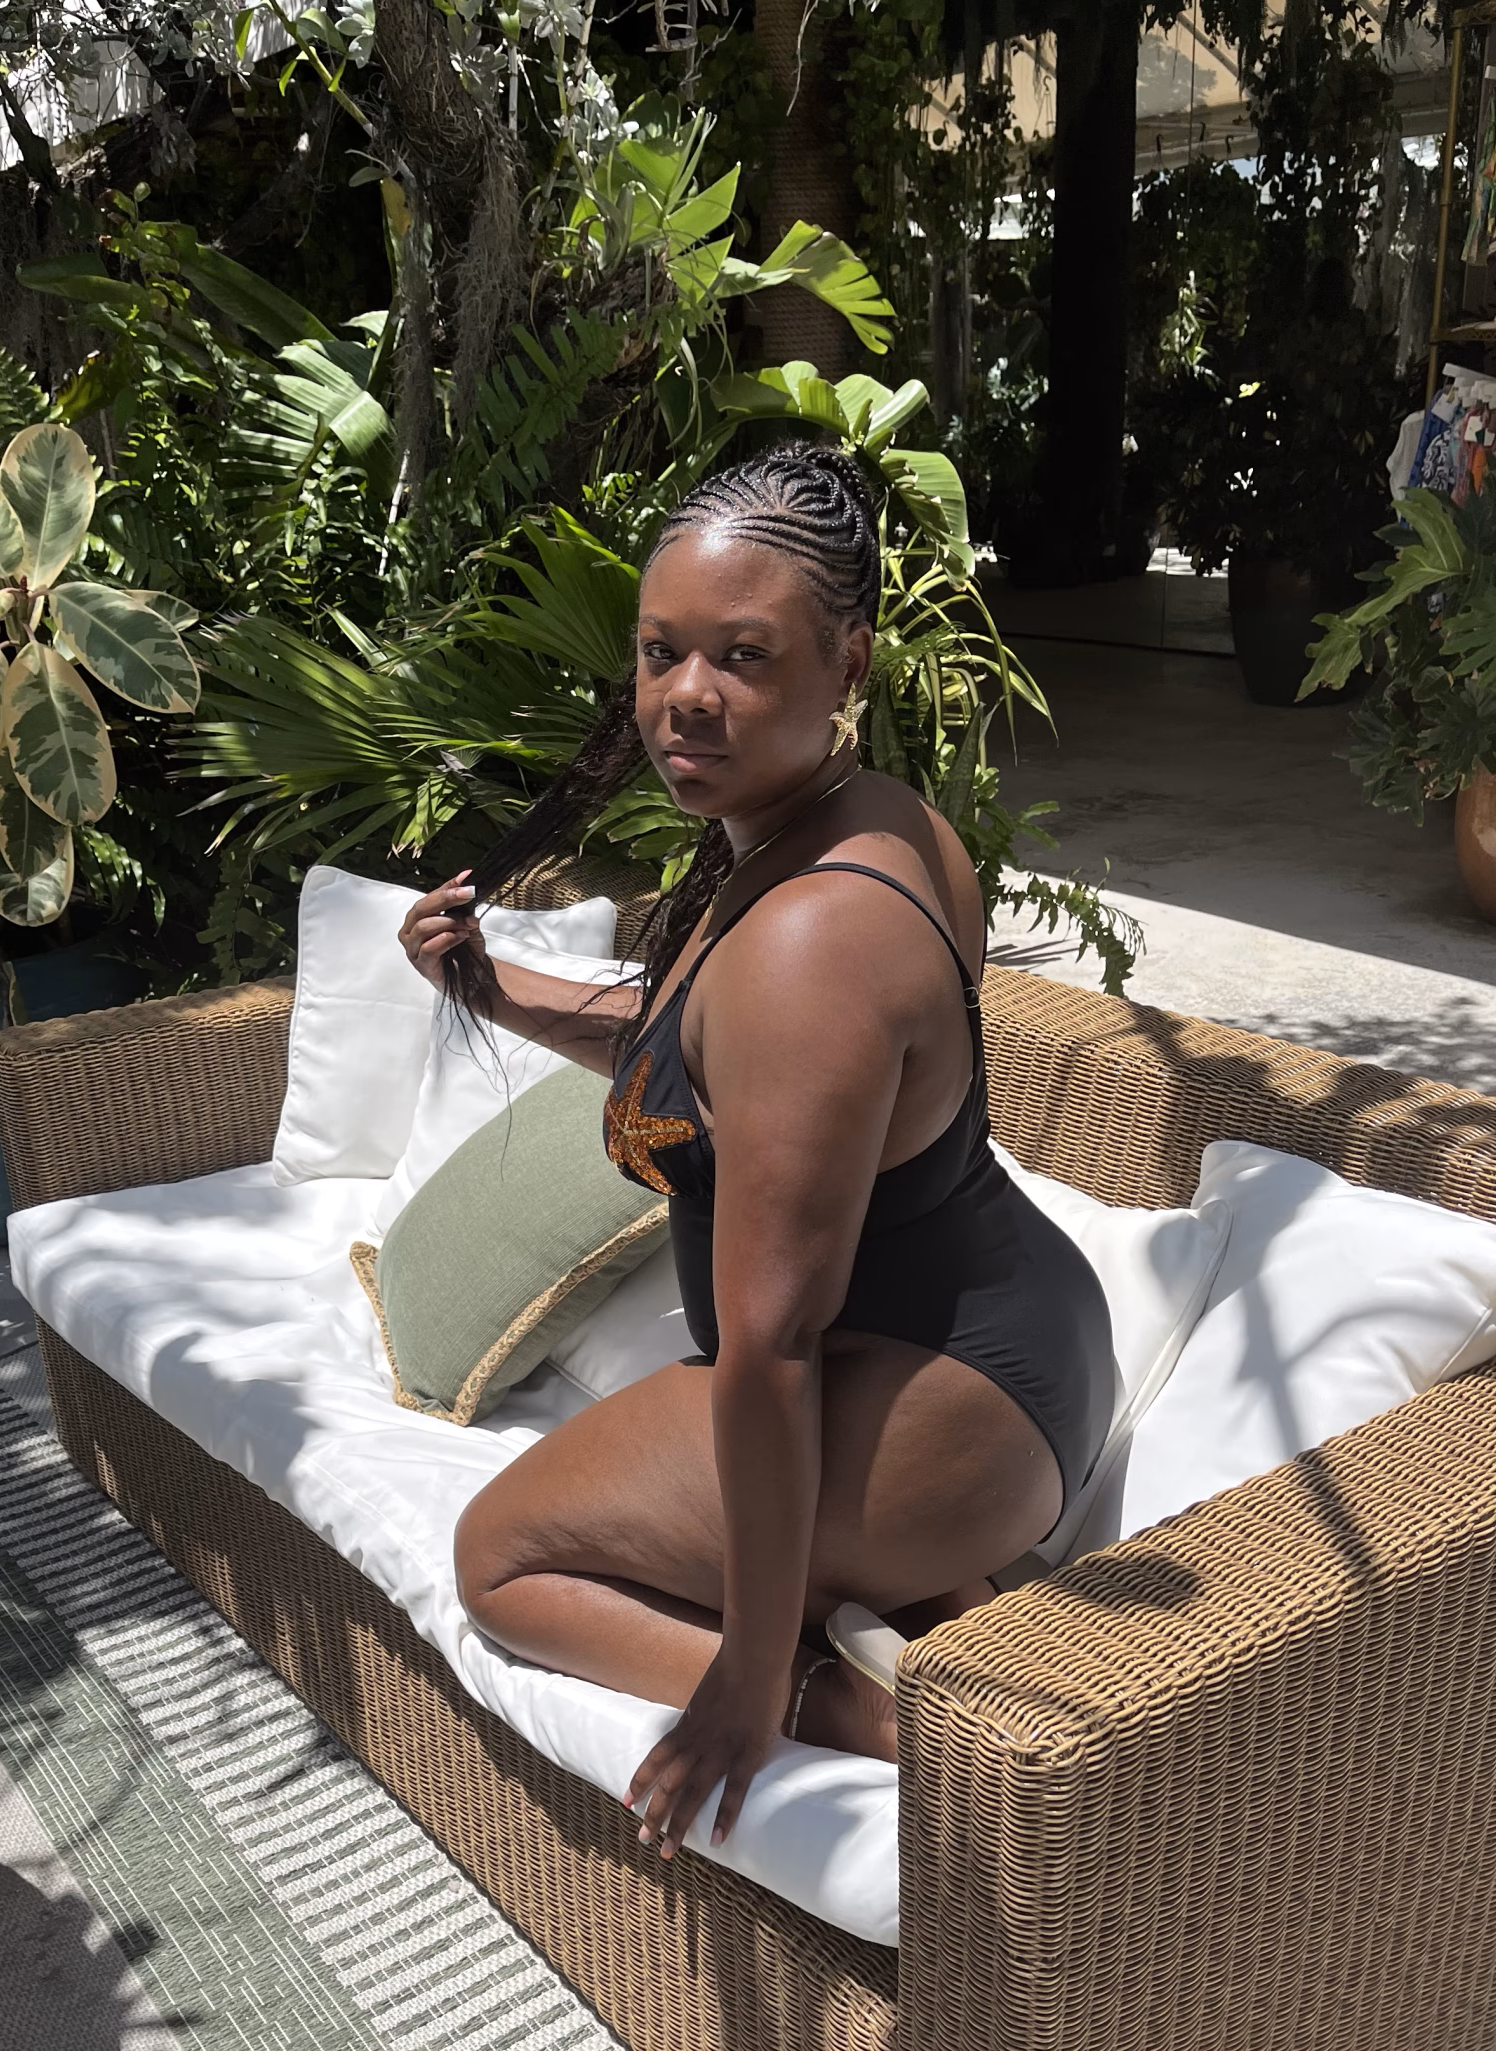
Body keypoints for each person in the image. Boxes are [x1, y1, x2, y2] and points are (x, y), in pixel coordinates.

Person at [399, 441, 1113, 1865]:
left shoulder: (809, 941)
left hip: (948, 1416)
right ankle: (920, 1600)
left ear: (848, 663)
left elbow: (772, 1348)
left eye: (743, 656)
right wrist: (494, 987)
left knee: (501, 1559)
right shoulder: (858, 817)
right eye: (659, 651)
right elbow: (712, 1060)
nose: (686, 695)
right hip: (1006, 1344)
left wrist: (741, 1682)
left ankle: (866, 1711)